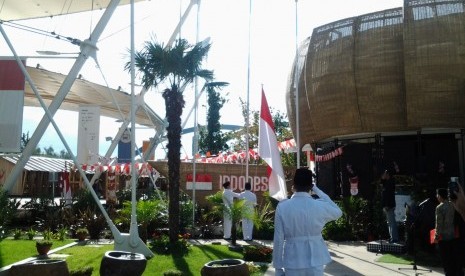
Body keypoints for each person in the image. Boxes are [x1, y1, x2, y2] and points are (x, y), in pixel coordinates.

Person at [272, 168, 342, 276]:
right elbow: (338, 212)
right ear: (310, 186)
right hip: (316, 260)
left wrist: (278, 268)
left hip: (292, 260)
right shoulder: (320, 206)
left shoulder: (283, 207)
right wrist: (317, 190)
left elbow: (278, 239)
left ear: (293, 185)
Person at [434, 188, 462, 276]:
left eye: (437, 195)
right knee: (453, 258)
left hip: (444, 237)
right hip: (454, 235)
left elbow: (439, 224)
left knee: (446, 259)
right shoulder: (453, 205)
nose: (437, 196)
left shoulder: (439, 207)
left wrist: (436, 236)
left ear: (440, 196)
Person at [381, 167, 399, 243]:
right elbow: (382, 181)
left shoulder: (391, 182)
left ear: (388, 175)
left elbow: (389, 195)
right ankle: (392, 237)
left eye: (385, 174)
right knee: (389, 222)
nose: (384, 175)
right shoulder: (387, 182)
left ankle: (394, 238)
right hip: (387, 205)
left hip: (389, 205)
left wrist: (387, 205)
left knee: (392, 222)